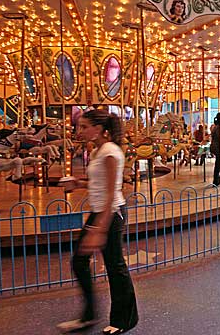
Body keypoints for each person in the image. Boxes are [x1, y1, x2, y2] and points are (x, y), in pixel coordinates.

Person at [57, 110, 138, 334]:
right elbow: (98, 183)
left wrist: (99, 230)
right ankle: (89, 315)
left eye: (84, 127)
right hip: (100, 211)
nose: (79, 131)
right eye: (79, 126)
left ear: (100, 129)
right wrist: (77, 183)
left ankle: (123, 320)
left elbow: (113, 191)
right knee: (80, 261)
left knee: (115, 266)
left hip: (110, 213)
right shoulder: (98, 151)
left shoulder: (110, 152)